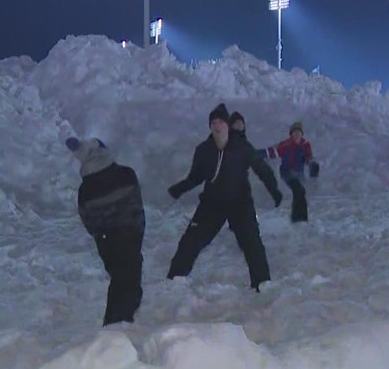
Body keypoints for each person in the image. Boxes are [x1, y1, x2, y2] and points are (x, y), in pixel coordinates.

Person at [167, 104, 283, 291]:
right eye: (213, 122)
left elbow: (262, 169)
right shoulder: (204, 150)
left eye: (221, 121)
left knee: (252, 243)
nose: (217, 126)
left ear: (228, 125)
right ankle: (173, 280)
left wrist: (274, 190)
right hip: (212, 204)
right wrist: (178, 189)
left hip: (240, 203)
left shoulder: (242, 147)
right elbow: (196, 176)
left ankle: (262, 284)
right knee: (190, 241)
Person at [66, 137, 145, 326]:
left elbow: (88, 219)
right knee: (128, 279)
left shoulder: (85, 188)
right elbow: (137, 206)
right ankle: (116, 325)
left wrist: (100, 236)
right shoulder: (126, 174)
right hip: (131, 233)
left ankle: (118, 322)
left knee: (119, 277)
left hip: (107, 240)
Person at [265, 121, 317, 223]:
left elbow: (309, 158)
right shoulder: (285, 145)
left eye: (299, 133)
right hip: (286, 172)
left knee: (301, 192)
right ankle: (297, 219)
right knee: (298, 189)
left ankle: (302, 219)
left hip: (299, 174)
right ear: (291, 134)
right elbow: (270, 152)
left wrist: (312, 165)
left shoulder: (305, 145)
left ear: (302, 134)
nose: (297, 135)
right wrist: (252, 154)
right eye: (294, 133)